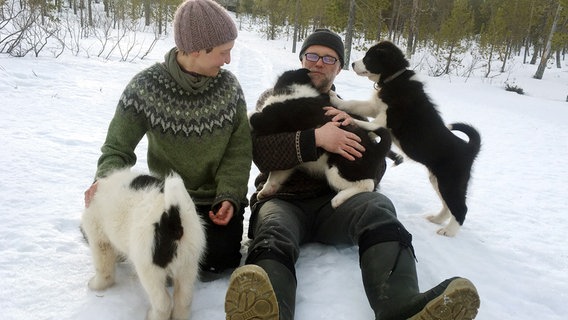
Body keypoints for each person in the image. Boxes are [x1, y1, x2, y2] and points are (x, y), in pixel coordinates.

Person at [224, 29, 480, 320]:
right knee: (273, 229)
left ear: (338, 67)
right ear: (301, 59)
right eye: (312, 55)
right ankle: (268, 311)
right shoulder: (275, 97)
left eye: (329, 58)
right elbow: (260, 153)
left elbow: (376, 169)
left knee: (379, 208)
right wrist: (315, 139)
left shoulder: (344, 109)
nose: (319, 63)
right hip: (283, 200)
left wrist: (359, 133)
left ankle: (402, 305)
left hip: (337, 205)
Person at [84, 0, 252, 277]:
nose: (228, 61)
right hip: (162, 199)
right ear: (197, 50)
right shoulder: (146, 87)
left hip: (212, 202)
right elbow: (117, 147)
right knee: (152, 249)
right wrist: (104, 180)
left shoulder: (229, 88)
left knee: (218, 258)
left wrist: (230, 196)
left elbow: (239, 151)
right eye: (224, 52)